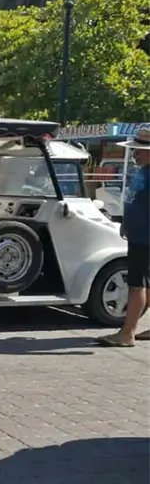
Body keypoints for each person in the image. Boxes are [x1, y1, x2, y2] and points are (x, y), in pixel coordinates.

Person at [97, 129, 150, 347]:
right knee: (145, 283)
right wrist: (127, 224)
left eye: (139, 150)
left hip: (144, 236)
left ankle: (127, 333)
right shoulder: (143, 171)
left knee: (136, 284)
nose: (136, 154)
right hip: (140, 232)